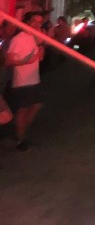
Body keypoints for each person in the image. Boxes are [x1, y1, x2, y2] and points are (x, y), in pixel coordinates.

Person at [4, 11, 46, 151]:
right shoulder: (18, 39)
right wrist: (23, 61)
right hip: (22, 81)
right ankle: (20, 140)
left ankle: (21, 133)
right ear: (27, 21)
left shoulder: (35, 37)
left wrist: (40, 49)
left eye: (40, 22)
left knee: (37, 105)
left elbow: (39, 58)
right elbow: (8, 61)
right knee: (23, 110)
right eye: (35, 21)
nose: (38, 24)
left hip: (34, 79)